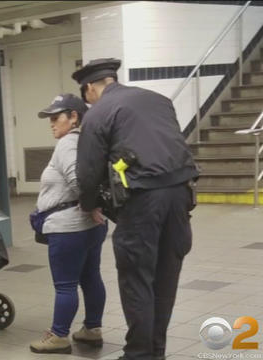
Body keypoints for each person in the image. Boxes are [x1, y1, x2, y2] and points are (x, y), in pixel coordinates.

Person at [72, 58, 198, 360]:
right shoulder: (159, 101)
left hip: (143, 203)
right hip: (181, 196)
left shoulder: (98, 113)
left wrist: (89, 204)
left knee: (137, 279)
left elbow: (87, 173)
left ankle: (138, 354)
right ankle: (156, 351)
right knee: (166, 277)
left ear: (90, 88)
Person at [29, 94, 108, 354]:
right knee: (91, 277)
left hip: (69, 228)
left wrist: (90, 205)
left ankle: (59, 336)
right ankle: (92, 330)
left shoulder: (67, 144)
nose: (51, 124)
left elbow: (79, 180)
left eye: (56, 118)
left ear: (74, 117)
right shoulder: (90, 140)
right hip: (91, 227)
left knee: (65, 285)